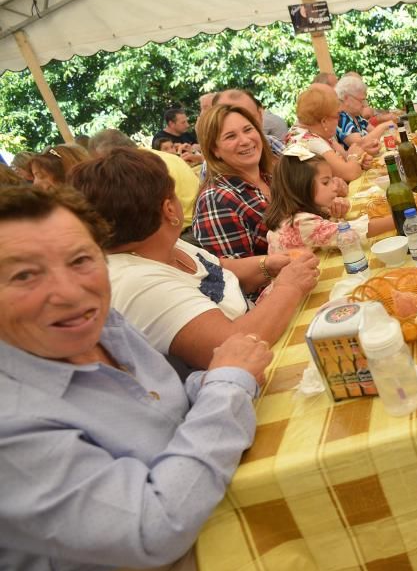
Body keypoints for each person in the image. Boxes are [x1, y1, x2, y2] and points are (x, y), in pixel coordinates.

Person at [0, 185, 271, 571]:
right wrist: (228, 384)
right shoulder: (9, 420)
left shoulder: (103, 324)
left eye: (80, 260)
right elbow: (153, 528)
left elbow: (167, 409)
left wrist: (217, 381)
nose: (70, 292)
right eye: (25, 274)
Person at [69, 148, 319, 373]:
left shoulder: (156, 241)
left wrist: (269, 263)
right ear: (169, 209)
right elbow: (231, 345)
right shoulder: (136, 281)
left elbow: (216, 270)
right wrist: (289, 286)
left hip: (269, 342)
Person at [263, 145, 394, 252]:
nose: (334, 187)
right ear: (301, 187)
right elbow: (350, 234)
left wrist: (334, 213)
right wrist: (399, 217)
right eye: (325, 182)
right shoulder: (300, 222)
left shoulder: (297, 212)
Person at [193, 104, 275, 258]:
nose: (245, 140)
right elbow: (236, 277)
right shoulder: (216, 200)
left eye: (248, 129)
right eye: (231, 136)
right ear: (214, 150)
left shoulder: (271, 177)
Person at [90, 127, 201, 235]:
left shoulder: (141, 170)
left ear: (114, 155)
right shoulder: (164, 157)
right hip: (199, 223)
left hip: (185, 233)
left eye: (102, 163)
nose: (103, 169)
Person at [285, 84, 373, 183]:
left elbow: (345, 157)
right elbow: (350, 173)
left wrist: (359, 159)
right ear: (324, 121)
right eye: (337, 116)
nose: (339, 120)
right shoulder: (308, 140)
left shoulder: (314, 130)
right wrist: (355, 157)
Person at [334, 75, 394, 149]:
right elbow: (360, 144)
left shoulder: (357, 116)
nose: (364, 105)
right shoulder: (341, 118)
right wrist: (384, 126)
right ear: (346, 98)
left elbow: (376, 135)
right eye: (361, 100)